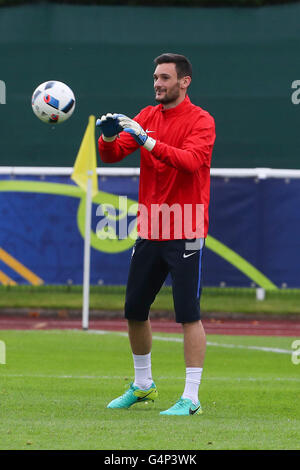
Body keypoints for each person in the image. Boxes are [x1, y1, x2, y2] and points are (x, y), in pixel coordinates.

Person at [97, 53, 216, 416]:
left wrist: (147, 143)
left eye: (165, 78)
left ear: (185, 82)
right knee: (134, 309)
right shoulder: (148, 116)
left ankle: (191, 397)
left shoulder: (201, 120)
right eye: (155, 78)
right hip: (151, 227)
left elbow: (190, 161)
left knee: (188, 314)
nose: (157, 84)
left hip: (185, 228)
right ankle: (143, 385)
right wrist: (107, 137)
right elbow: (114, 154)